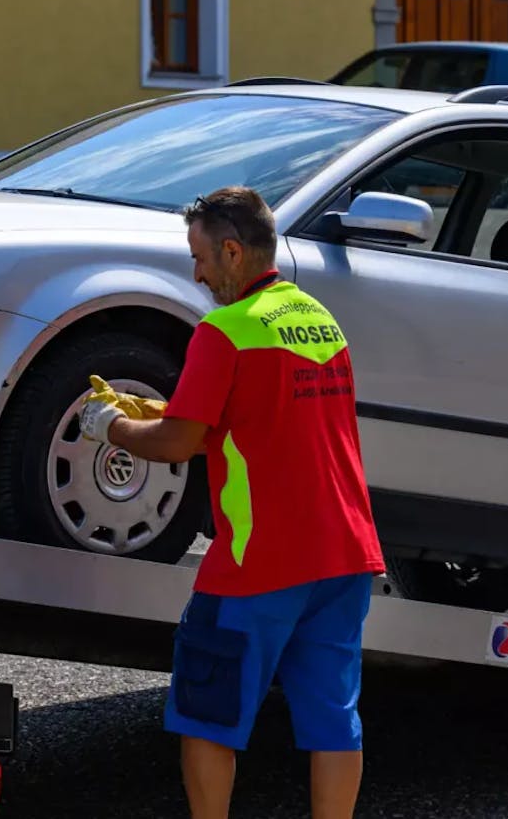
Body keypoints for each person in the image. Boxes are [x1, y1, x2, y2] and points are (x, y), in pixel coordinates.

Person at [77, 185, 386, 819]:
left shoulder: (225, 331)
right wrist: (162, 411)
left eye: (200, 257)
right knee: (332, 720)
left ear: (233, 251)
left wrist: (109, 426)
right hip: (345, 556)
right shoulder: (317, 319)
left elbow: (178, 444)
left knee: (207, 715)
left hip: (259, 562)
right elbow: (261, 418)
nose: (195, 273)